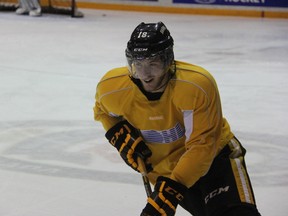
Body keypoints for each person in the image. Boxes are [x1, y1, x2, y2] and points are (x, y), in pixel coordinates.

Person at [94, 21, 261, 216]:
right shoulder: (112, 88)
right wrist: (117, 133)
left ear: (167, 60)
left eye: (152, 63)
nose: (145, 74)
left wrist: (170, 192)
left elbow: (202, 146)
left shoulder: (196, 86)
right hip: (169, 172)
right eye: (137, 64)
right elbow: (102, 112)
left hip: (216, 159)